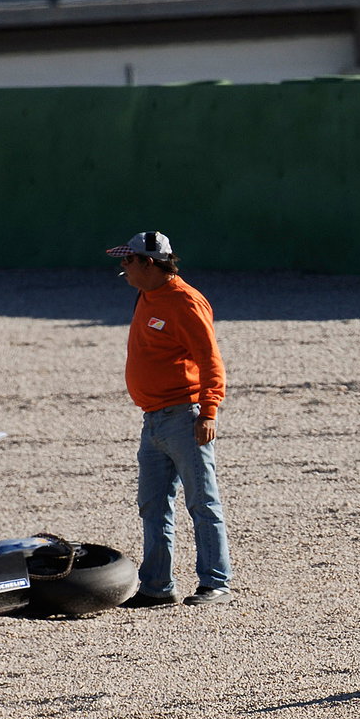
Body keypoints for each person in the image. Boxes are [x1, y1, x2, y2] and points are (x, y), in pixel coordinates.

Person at [109, 231, 235, 607]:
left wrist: (209, 411)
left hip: (185, 417)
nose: (123, 267)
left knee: (202, 502)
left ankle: (216, 584)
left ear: (149, 262)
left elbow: (211, 360)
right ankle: (157, 587)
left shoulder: (186, 302)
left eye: (128, 260)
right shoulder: (144, 296)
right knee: (152, 504)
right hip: (153, 422)